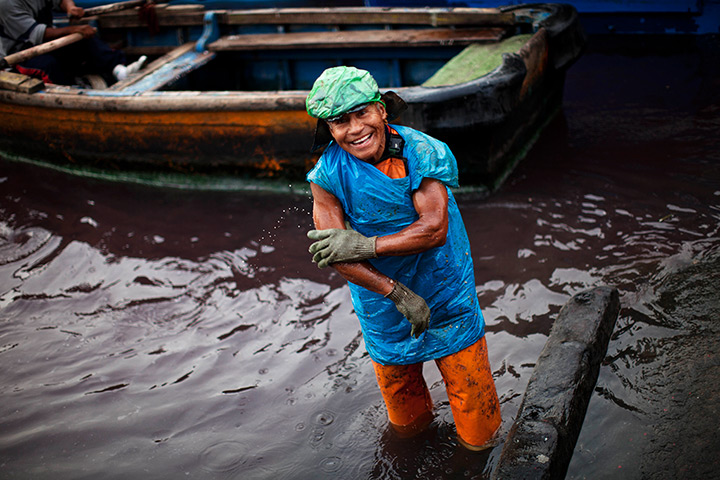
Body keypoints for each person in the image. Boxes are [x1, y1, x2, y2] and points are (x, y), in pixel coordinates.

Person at [305, 66, 501, 450]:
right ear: (330, 129)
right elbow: (335, 252)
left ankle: (481, 459)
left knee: (477, 420)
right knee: (406, 421)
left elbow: (434, 229)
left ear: (381, 110)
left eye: (362, 113)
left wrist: (366, 246)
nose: (355, 129)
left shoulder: (422, 153)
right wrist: (395, 292)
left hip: (444, 289)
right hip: (381, 302)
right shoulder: (326, 176)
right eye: (340, 121)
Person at [0, 0, 146, 85]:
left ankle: (119, 71)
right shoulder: (6, 4)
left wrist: (71, 7)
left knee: (84, 39)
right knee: (47, 66)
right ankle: (69, 92)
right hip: (19, 55)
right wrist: (74, 29)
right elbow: (38, 34)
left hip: (47, 44)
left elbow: (60, 1)